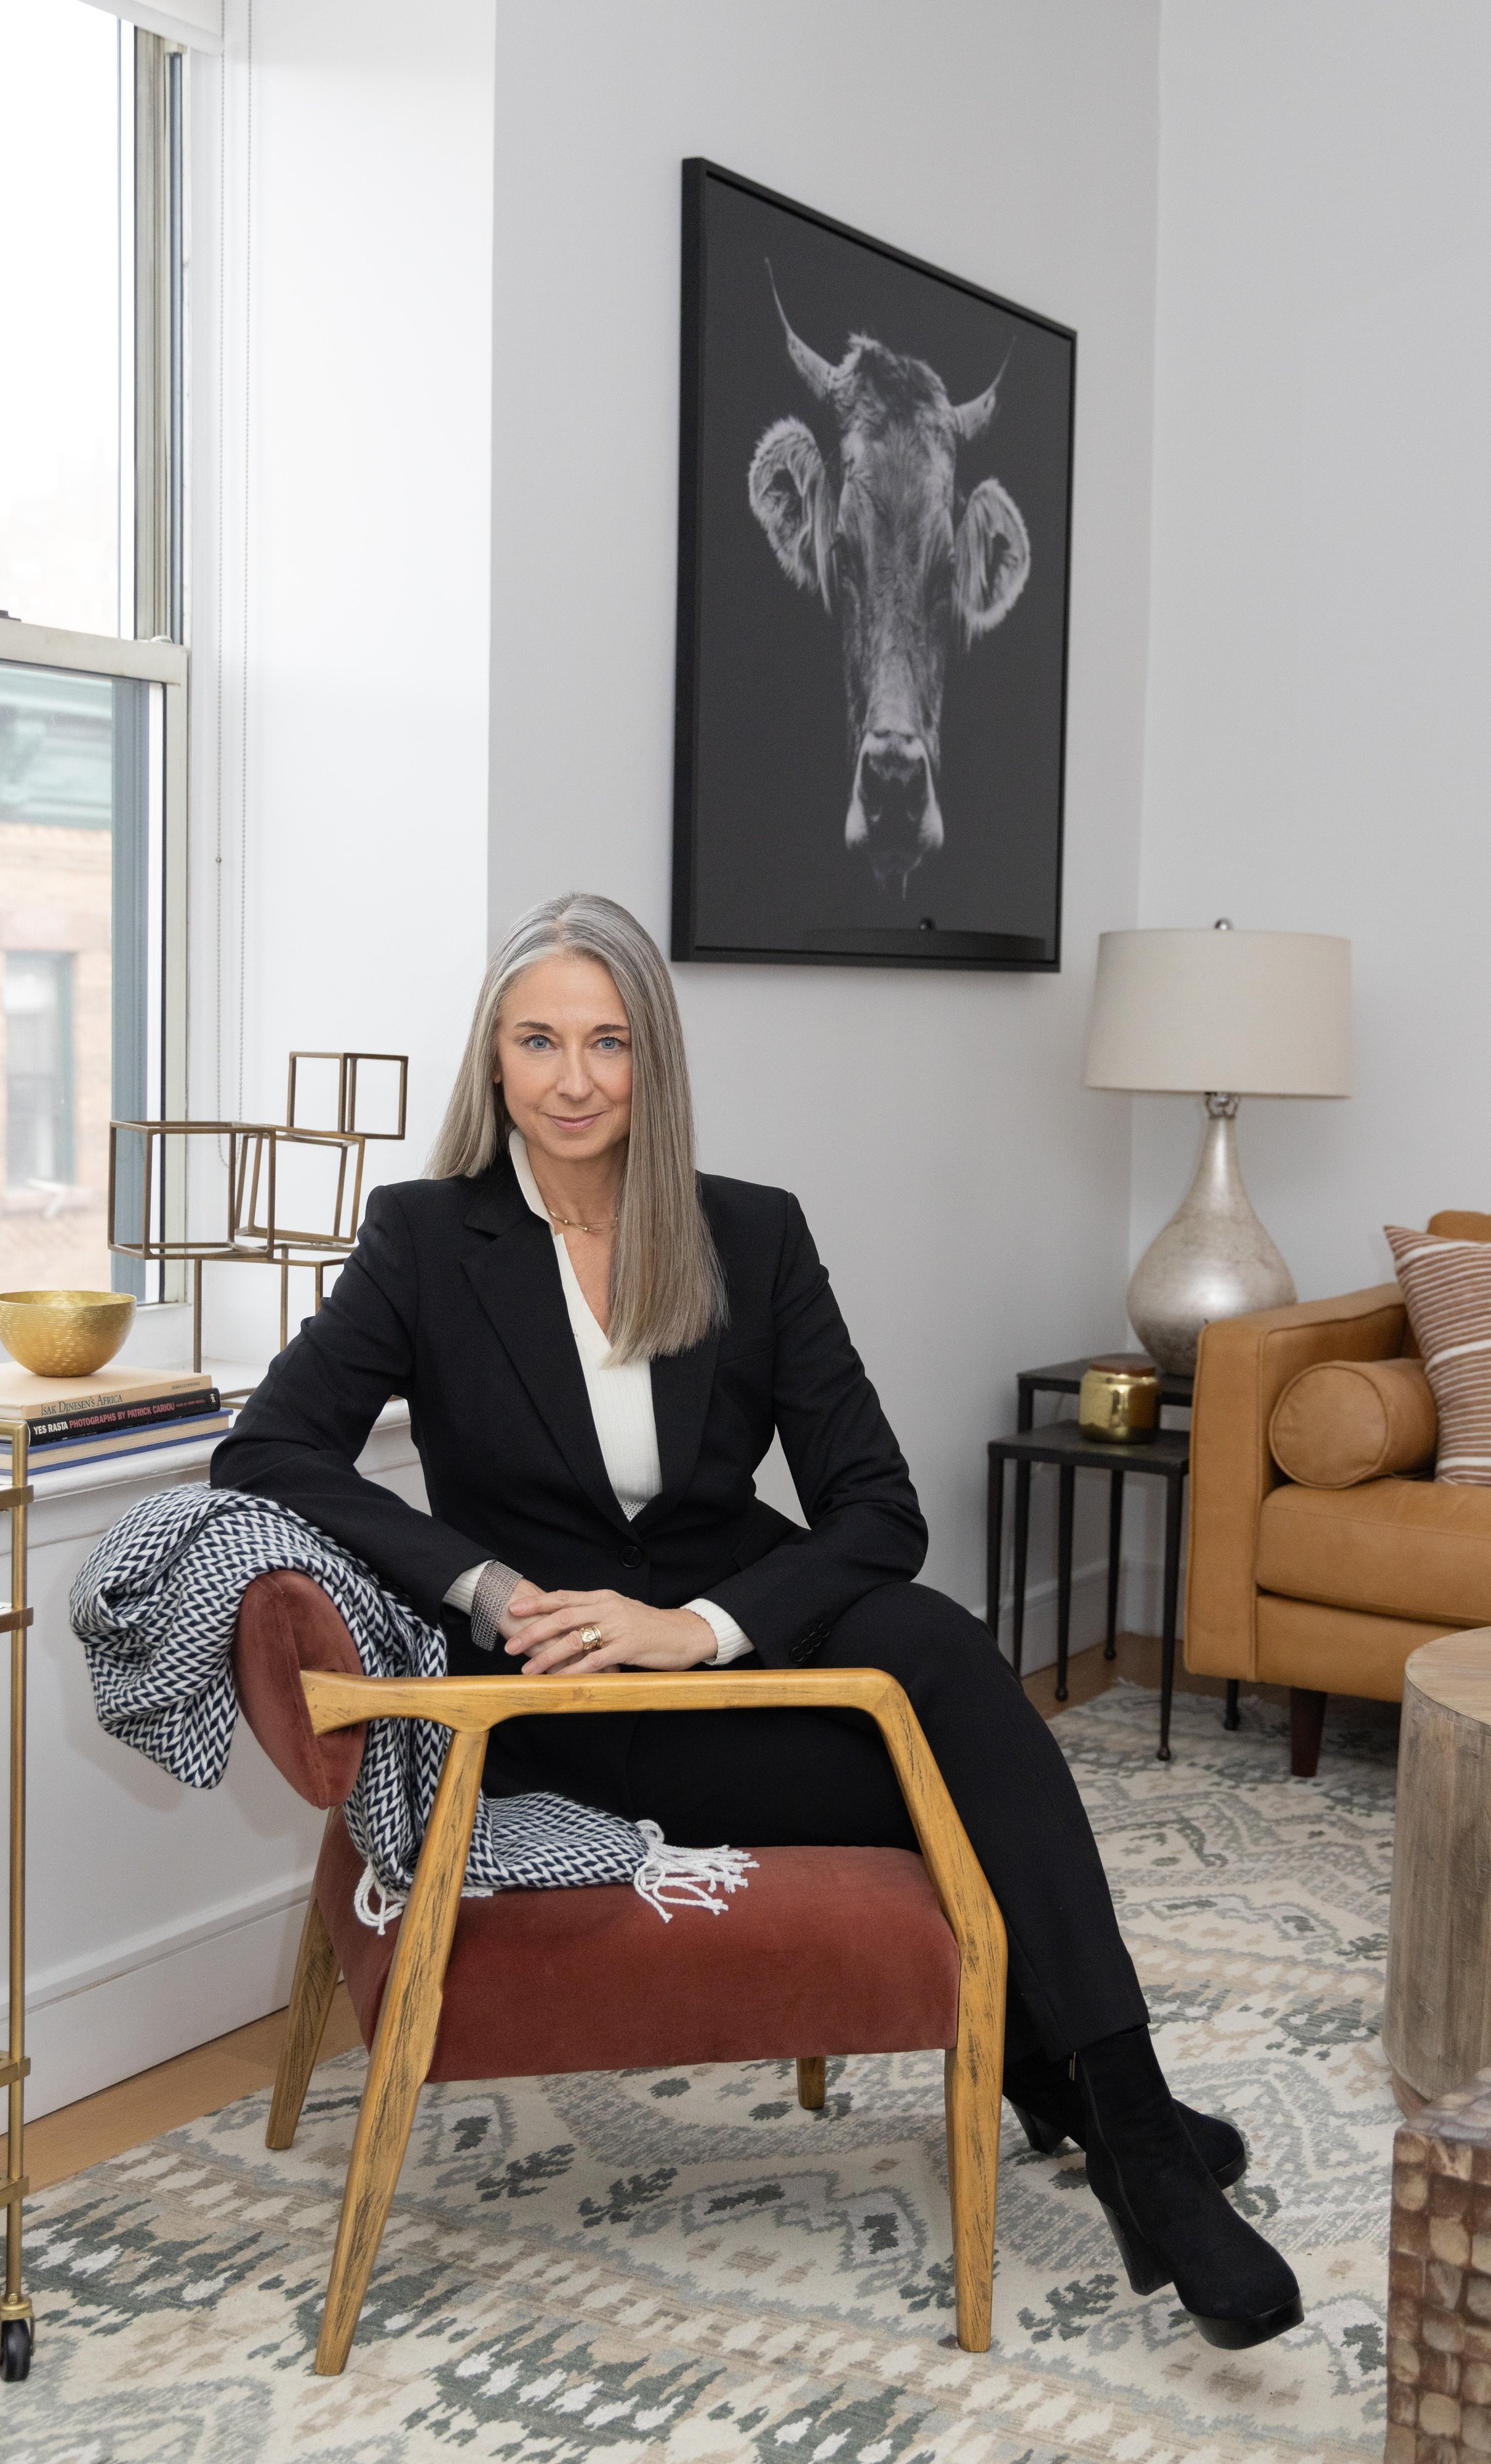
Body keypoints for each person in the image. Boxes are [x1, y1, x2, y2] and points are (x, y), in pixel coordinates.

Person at [212, 891, 1301, 2352]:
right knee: (970, 1762)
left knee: (936, 1649)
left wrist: (706, 1624)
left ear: (653, 1061)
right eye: (537, 1039)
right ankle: (1110, 2114)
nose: (574, 1076)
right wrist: (483, 1587)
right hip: (560, 1706)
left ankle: (1125, 2135)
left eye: (607, 1040)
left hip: (726, 1654)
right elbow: (269, 1450)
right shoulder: (424, 1239)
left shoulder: (750, 1231)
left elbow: (874, 1504)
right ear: (493, 1058)